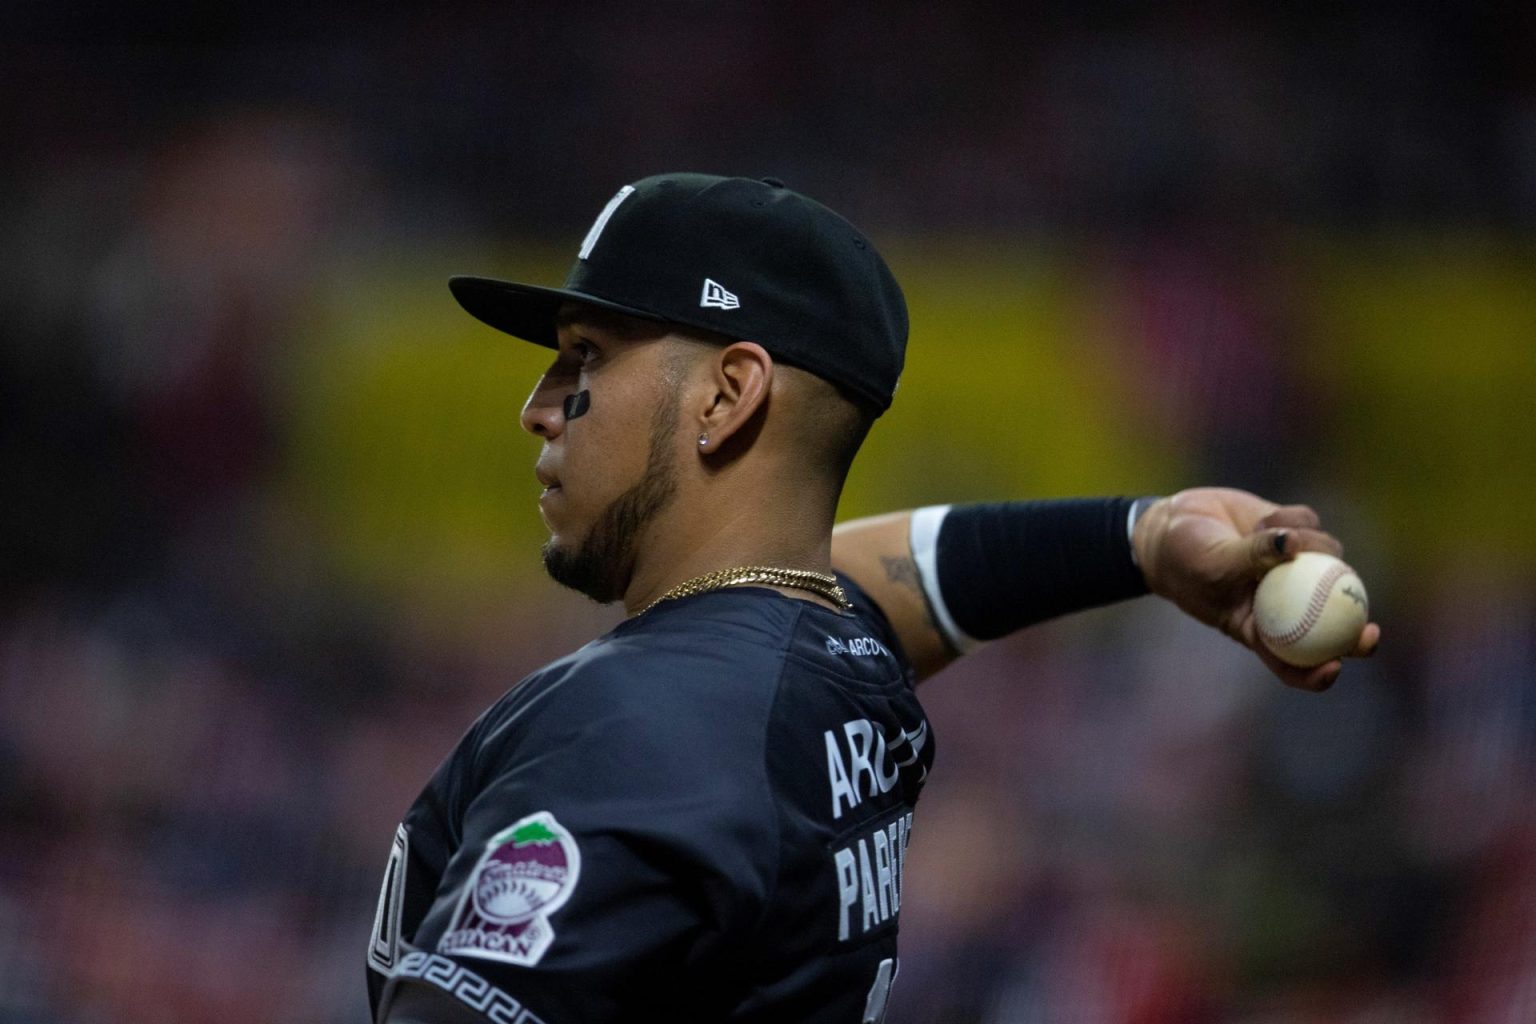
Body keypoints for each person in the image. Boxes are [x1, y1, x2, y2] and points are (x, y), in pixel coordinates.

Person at [366, 173, 1379, 1023]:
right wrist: (1141, 540)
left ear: (728, 395)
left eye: (585, 357)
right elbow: (901, 581)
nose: (537, 406)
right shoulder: (818, 659)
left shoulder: (639, 733)